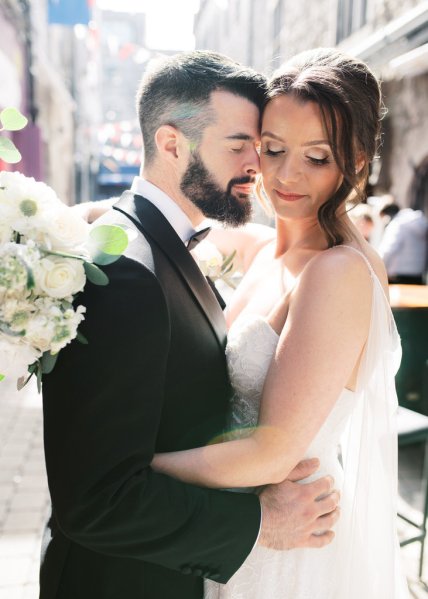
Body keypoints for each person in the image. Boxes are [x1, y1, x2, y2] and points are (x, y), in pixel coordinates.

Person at [40, 51, 340, 599]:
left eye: (260, 144)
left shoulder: (150, 240)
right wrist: (260, 523)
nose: (259, 164)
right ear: (172, 143)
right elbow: (94, 500)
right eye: (238, 145)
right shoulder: (128, 273)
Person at [150, 48, 410, 598]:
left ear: (356, 162)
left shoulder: (336, 271)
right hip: (241, 527)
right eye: (273, 149)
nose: (286, 175)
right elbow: (146, 224)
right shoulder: (267, 249)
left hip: (292, 540)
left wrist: (133, 470)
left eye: (317, 158)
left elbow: (272, 452)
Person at [379, 202, 428, 284]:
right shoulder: (421, 223)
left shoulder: (397, 224)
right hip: (418, 274)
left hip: (397, 276)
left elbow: (388, 250)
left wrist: (379, 269)